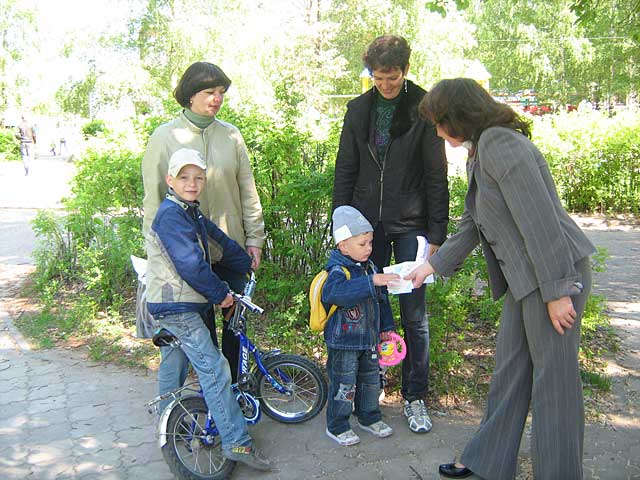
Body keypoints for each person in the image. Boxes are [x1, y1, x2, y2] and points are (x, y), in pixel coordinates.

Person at [406, 78, 595, 479]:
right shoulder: (482, 149)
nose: (438, 132)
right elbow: (473, 222)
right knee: (511, 371)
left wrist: (558, 290)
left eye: (440, 122)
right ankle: (487, 460)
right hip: (527, 278)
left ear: (459, 116)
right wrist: (429, 267)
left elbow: (540, 221)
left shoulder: (499, 144)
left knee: (554, 384)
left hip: (554, 274)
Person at [332, 35, 449, 434]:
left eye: (393, 77)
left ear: (406, 70)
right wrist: (341, 226)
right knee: (368, 308)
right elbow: (345, 169)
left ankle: (416, 397)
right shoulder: (357, 110)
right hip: (366, 227)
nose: (385, 84)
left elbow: (436, 174)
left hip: (411, 225)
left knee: (413, 314)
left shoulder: (424, 109)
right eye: (379, 77)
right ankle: (371, 389)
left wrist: (437, 232)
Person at [146, 148, 272, 471]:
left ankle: (175, 429)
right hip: (177, 306)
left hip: (174, 303)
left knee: (173, 365)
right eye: (184, 177)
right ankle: (237, 444)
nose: (192, 183)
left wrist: (247, 263)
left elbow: (218, 241)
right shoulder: (171, 216)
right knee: (214, 368)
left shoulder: (189, 211)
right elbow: (191, 265)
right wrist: (222, 295)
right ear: (169, 180)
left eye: (198, 177)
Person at [142, 61, 265, 384]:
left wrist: (254, 240)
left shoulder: (231, 136)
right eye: (209, 92)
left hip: (231, 248)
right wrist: (156, 256)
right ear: (190, 95)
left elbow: (248, 192)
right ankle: (211, 403)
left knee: (235, 329)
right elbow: (153, 202)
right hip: (187, 257)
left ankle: (238, 393)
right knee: (201, 336)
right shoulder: (164, 137)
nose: (217, 98)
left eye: (221, 92)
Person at [322, 205, 400, 446]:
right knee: (344, 384)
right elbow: (334, 294)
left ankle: (369, 416)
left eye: (370, 243)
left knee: (370, 381)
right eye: (362, 244)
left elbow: (382, 299)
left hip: (370, 340)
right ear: (343, 245)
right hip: (344, 342)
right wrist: (370, 282)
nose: (369, 248)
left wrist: (387, 327)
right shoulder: (337, 270)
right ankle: (338, 425)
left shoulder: (371, 268)